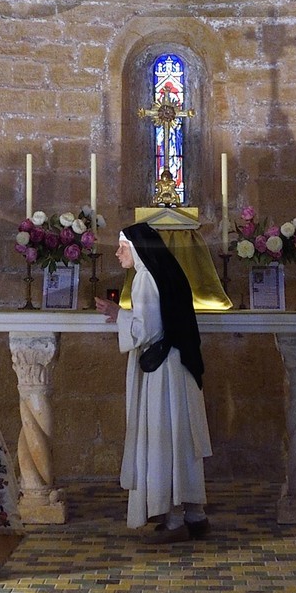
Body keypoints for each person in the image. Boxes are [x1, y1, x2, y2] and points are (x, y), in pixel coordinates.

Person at [100, 224, 211, 538]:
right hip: (178, 366)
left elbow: (146, 331)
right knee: (180, 439)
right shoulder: (167, 274)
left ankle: (174, 521)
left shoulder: (145, 278)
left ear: (137, 249)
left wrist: (117, 314)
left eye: (123, 247)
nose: (118, 253)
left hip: (162, 375)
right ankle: (195, 514)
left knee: (165, 440)